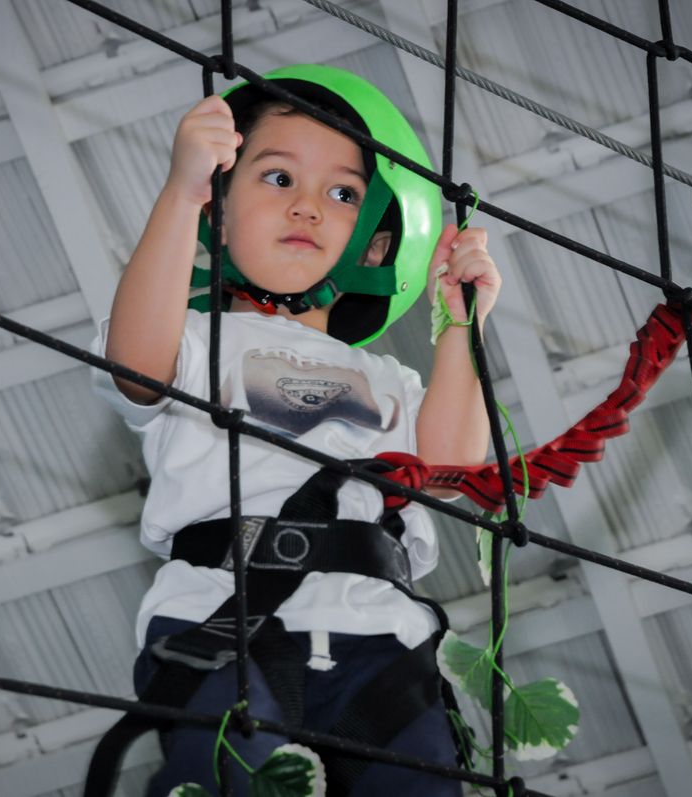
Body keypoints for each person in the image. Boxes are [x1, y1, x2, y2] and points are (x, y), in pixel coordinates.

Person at [86, 65, 501, 797]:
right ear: (221, 206)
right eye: (277, 178)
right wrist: (182, 194)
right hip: (221, 620)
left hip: (384, 642)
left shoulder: (391, 384)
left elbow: (454, 471)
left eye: (343, 193)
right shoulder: (190, 339)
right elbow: (134, 364)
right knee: (224, 780)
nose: (308, 206)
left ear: (374, 245)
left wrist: (458, 326)